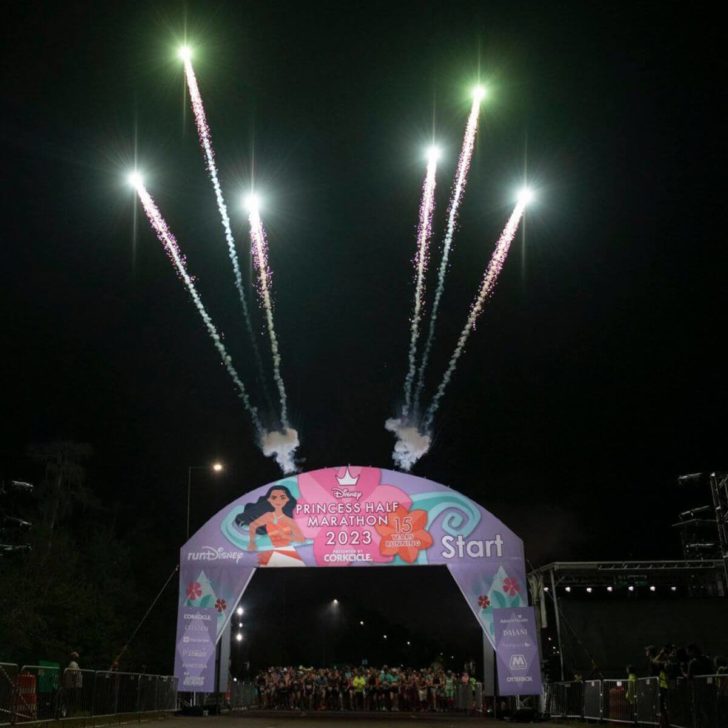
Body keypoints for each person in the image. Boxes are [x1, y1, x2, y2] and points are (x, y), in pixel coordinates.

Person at [236, 486, 306, 567]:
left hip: (285, 553)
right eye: (274, 497)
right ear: (269, 500)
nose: (278, 500)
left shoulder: (287, 519)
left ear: (287, 499)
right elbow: (252, 525)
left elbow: (300, 538)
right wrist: (252, 543)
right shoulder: (267, 515)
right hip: (268, 551)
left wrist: (286, 536)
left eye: (282, 497)